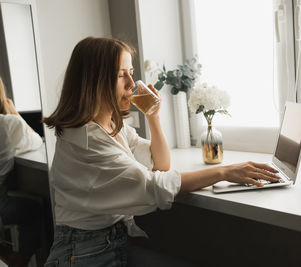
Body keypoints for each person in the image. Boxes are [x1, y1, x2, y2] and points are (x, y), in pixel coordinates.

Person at [43, 36, 279, 267]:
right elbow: (151, 184)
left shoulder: (111, 126)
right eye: (120, 75)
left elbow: (160, 164)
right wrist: (223, 172)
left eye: (131, 73)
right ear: (94, 81)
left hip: (109, 243)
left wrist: (153, 117)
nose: (131, 85)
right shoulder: (88, 139)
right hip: (83, 254)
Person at [0, 77, 44, 266]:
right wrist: (14, 112)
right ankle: (20, 258)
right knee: (34, 207)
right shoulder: (8, 123)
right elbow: (36, 141)